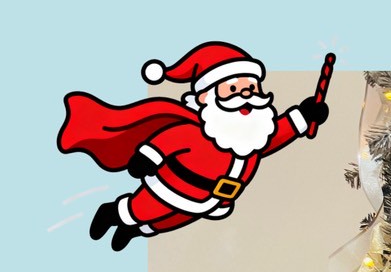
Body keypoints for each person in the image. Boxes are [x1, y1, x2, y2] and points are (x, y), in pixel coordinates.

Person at [58, 41, 329, 250]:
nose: (246, 95)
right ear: (204, 96)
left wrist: (303, 117)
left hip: (212, 199)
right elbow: (170, 139)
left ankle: (135, 229)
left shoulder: (256, 133)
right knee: (143, 209)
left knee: (169, 221)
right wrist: (149, 156)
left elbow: (276, 134)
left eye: (251, 88)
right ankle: (116, 214)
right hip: (171, 187)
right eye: (233, 89)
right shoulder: (197, 130)